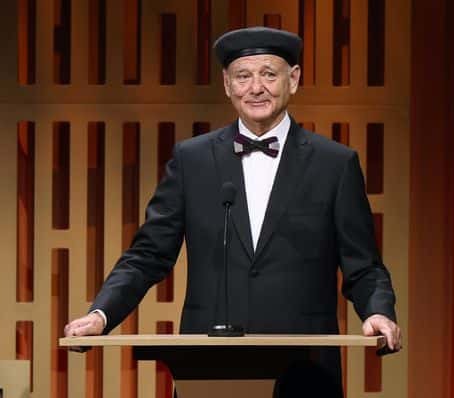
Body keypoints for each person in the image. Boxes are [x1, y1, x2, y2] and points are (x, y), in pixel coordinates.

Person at [65, 26, 402, 397]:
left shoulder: (334, 164)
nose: (255, 87)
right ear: (227, 85)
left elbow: (364, 265)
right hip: (209, 370)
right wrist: (101, 315)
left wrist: (378, 311)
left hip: (305, 373)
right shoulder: (192, 160)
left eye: (269, 74)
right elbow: (148, 255)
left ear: (294, 79)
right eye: (243, 76)